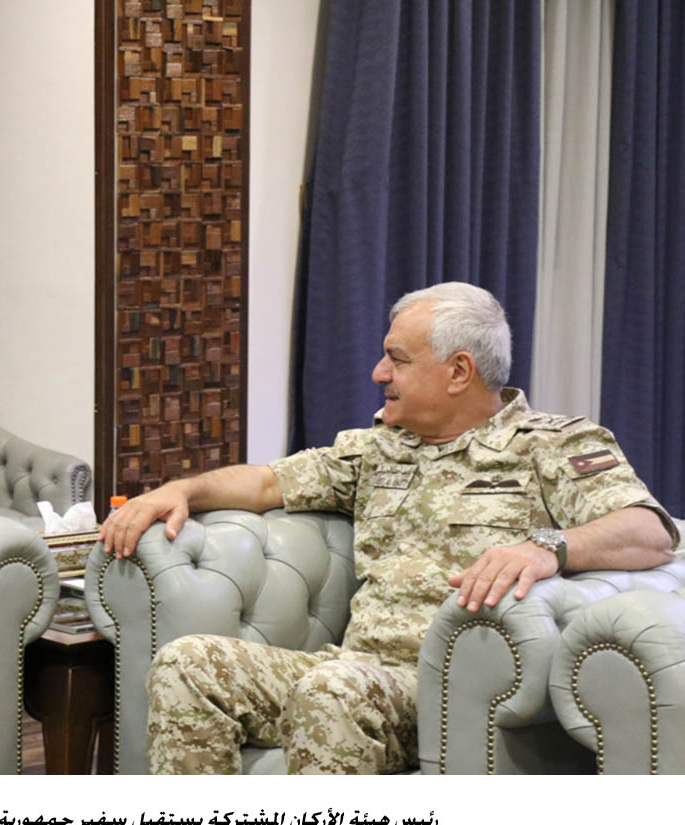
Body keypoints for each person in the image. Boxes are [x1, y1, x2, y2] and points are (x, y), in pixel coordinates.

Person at [99, 282, 679, 774]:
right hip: (348, 669)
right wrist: (182, 490)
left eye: (397, 359)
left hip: (446, 691)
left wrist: (547, 548)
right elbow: (268, 483)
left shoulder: (550, 445)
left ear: (458, 371)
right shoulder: (379, 449)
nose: (379, 373)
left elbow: (649, 531)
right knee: (186, 662)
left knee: (332, 690)